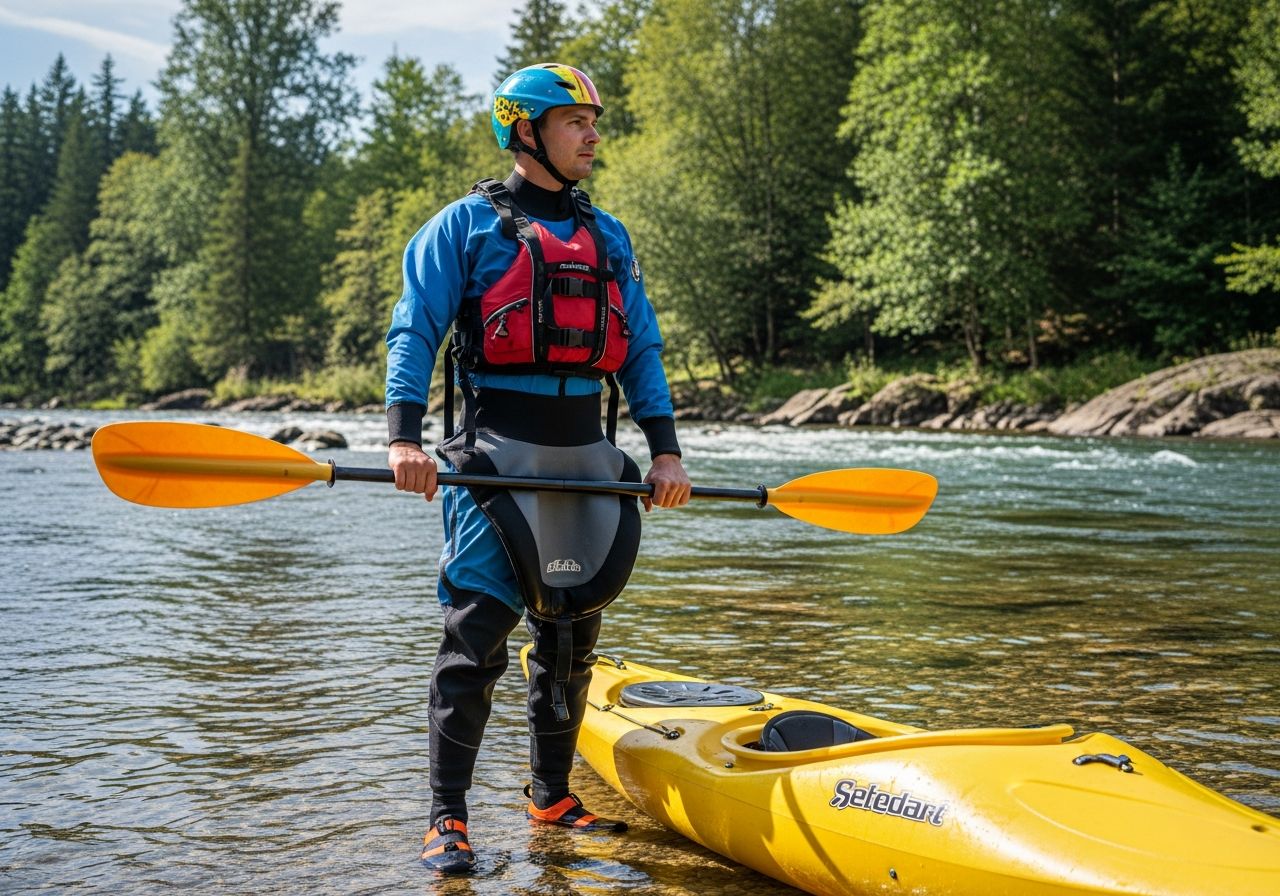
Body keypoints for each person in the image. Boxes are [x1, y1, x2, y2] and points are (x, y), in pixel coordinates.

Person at [384, 62, 692, 874]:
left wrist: (665, 450)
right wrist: (404, 439)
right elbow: (415, 330)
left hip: (587, 456)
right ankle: (446, 817)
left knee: (571, 634)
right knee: (475, 638)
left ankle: (550, 796)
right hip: (492, 459)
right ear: (526, 132)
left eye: (594, 121)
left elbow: (644, 350)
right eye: (575, 121)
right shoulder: (463, 229)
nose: (593, 134)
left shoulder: (609, 236)